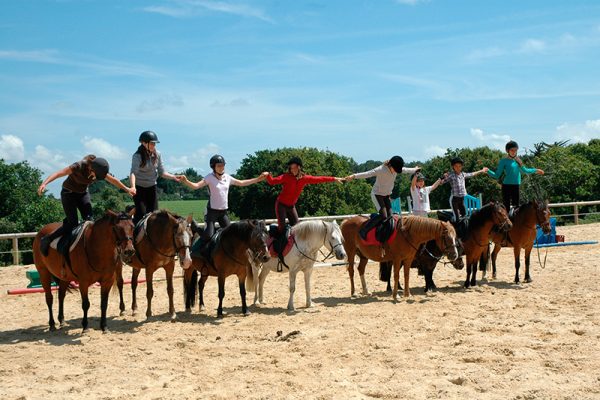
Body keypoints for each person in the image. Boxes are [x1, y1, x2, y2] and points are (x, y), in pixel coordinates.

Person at [37, 155, 135, 256]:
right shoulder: (78, 166)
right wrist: (44, 184)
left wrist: (127, 189)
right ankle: (48, 238)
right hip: (68, 193)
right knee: (72, 223)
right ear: (91, 168)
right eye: (96, 175)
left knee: (90, 221)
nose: (96, 178)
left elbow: (114, 180)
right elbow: (59, 173)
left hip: (83, 193)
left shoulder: (99, 169)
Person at [180, 154, 268, 241]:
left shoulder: (227, 177)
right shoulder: (209, 177)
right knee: (208, 236)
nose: (222, 167)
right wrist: (186, 181)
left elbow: (241, 183)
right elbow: (196, 186)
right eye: (219, 166)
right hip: (211, 212)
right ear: (213, 167)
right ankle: (196, 228)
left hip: (223, 212)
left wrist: (258, 179)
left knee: (231, 235)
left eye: (223, 165)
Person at [266, 156, 344, 234]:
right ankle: (272, 236)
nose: (292, 170)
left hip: (291, 206)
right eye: (291, 168)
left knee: (297, 228)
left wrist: (334, 179)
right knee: (282, 229)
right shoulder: (286, 177)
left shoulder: (304, 178)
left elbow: (320, 179)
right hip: (281, 205)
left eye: (294, 168)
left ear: (299, 167)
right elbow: (272, 181)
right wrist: (267, 175)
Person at [130, 131, 182, 224]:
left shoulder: (158, 154)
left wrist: (174, 177)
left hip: (152, 187)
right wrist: (133, 187)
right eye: (152, 143)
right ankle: (134, 235)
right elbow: (133, 173)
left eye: (155, 143)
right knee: (141, 214)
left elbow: (162, 172)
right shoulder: (137, 156)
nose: (154, 145)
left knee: (154, 215)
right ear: (144, 143)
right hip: (139, 188)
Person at [345, 156, 419, 219]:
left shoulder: (396, 168)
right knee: (384, 216)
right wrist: (353, 176)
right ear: (390, 165)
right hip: (377, 194)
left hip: (386, 196)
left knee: (390, 217)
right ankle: (370, 221)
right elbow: (367, 174)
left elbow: (406, 170)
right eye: (395, 170)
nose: (395, 172)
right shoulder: (381, 169)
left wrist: (415, 169)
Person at [487, 140, 544, 211]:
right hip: (506, 186)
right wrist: (488, 171)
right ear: (507, 150)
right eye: (512, 150)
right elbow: (497, 175)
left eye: (515, 150)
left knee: (516, 207)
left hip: (516, 186)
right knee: (506, 207)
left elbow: (525, 170)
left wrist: (536, 170)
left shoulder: (518, 161)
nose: (514, 152)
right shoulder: (503, 161)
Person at [441, 157, 488, 222]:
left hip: (461, 199)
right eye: (456, 166)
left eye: (459, 166)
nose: (458, 168)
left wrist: (482, 171)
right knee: (456, 218)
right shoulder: (451, 175)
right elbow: (441, 182)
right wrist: (443, 177)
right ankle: (453, 229)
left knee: (465, 216)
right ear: (453, 167)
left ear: (462, 167)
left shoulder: (463, 174)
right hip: (454, 199)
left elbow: (472, 174)